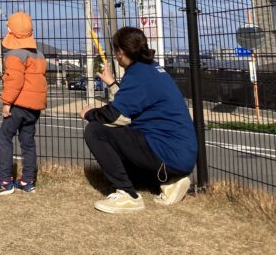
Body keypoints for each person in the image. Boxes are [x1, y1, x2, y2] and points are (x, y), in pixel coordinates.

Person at [80, 26, 197, 213]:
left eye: (116, 51)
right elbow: (132, 104)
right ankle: (170, 180)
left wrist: (89, 113)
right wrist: (112, 83)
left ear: (120, 52)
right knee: (129, 137)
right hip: (180, 156)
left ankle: (128, 196)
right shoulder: (151, 68)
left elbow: (116, 116)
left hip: (165, 153)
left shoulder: (137, 75)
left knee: (95, 131)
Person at [0, 11, 47, 196]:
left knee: (4, 137)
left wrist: (6, 103)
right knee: (28, 141)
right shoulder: (39, 54)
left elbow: (14, 81)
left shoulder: (14, 54)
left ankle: (4, 181)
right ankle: (27, 180)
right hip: (34, 106)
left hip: (18, 104)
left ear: (10, 31)